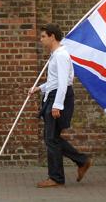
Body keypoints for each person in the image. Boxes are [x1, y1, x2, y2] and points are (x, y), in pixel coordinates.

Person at [29, 23, 91, 188]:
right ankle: (81, 161)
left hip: (58, 98)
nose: (40, 39)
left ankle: (56, 177)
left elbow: (64, 82)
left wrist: (57, 105)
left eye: (43, 36)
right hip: (54, 96)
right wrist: (39, 88)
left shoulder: (61, 55)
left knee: (51, 138)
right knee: (52, 138)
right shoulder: (55, 55)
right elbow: (54, 81)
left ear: (52, 37)